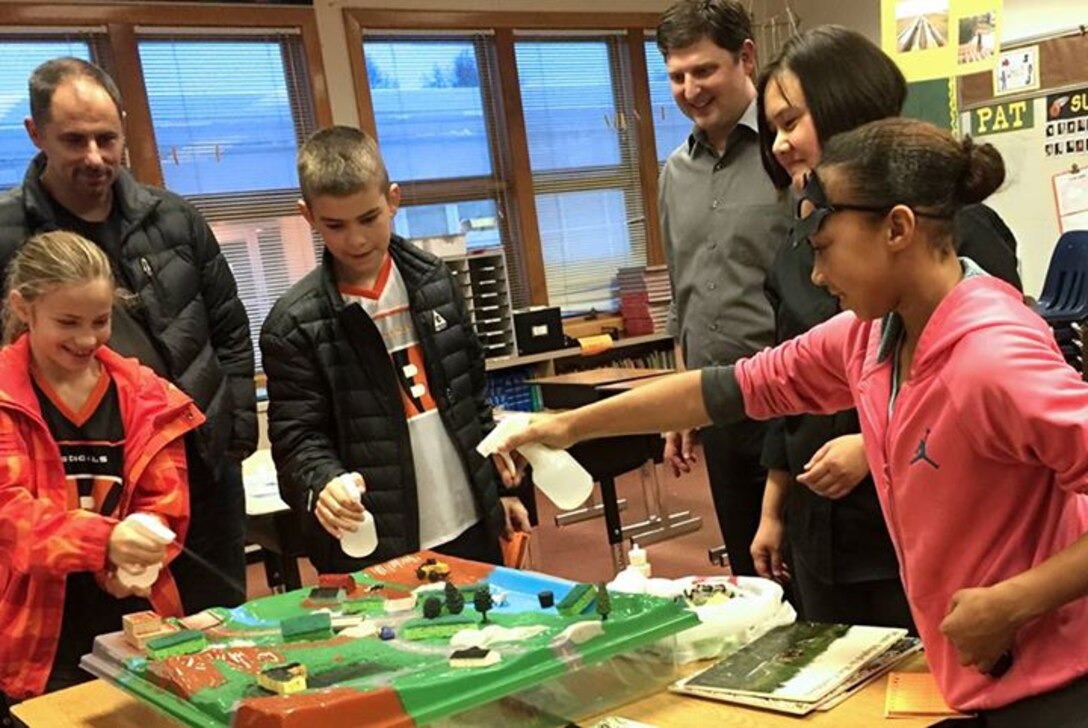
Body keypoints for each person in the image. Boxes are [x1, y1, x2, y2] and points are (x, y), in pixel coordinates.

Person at [497, 119, 1088, 724]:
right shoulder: (869, 339)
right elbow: (724, 390)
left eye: (825, 247)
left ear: (897, 228)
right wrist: (567, 428)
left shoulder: (992, 356)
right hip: (982, 678)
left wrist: (1013, 603)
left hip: (1058, 682)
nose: (815, 275)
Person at [749, 26, 1022, 630]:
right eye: (772, 130)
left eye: (791, 122)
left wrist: (874, 449)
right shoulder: (799, 245)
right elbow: (779, 385)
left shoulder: (954, 230)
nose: (780, 145)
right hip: (819, 528)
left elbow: (988, 399)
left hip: (920, 529)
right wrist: (775, 507)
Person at [0, 58, 257, 614]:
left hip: (197, 476)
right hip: (71, 496)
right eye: (74, 140)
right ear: (36, 134)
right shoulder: (7, 236)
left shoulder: (177, 219)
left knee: (219, 633)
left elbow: (231, 332)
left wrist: (231, 437)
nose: (95, 157)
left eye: (106, 137)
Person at [260, 126, 529, 575]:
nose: (357, 239)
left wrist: (497, 492)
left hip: (468, 520)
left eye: (369, 218)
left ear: (394, 200)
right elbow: (297, 442)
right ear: (307, 216)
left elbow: (471, 399)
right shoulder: (293, 325)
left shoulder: (436, 282)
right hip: (378, 540)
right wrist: (322, 484)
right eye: (335, 225)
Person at [0, 232, 203, 711]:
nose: (87, 338)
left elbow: (165, 504)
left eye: (101, 320)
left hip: (132, 620)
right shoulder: (6, 398)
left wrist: (141, 553)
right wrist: (106, 541)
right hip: (32, 635)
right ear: (23, 309)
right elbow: (11, 518)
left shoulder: (145, 395)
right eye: (67, 322)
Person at [655, 0, 792, 577]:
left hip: (795, 404)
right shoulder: (674, 174)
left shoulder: (789, 151)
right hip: (719, 405)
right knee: (750, 573)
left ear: (746, 59)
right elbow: (683, 297)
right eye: (677, 75)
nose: (690, 88)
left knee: (804, 568)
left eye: (704, 70)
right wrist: (683, 397)